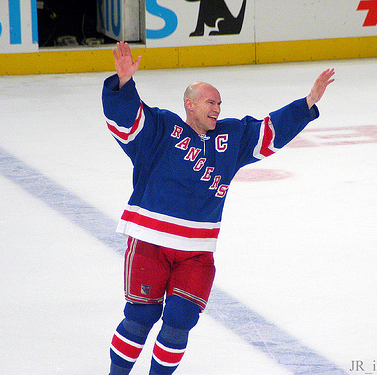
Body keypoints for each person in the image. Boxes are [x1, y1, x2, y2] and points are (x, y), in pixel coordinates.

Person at [103, 41, 335, 375]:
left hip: (197, 251)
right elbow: (126, 119)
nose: (217, 108)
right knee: (140, 318)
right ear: (190, 103)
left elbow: (271, 131)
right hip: (150, 241)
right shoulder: (162, 128)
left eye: (220, 104)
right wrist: (124, 85)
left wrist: (308, 103)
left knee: (180, 322)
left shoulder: (232, 137)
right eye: (210, 102)